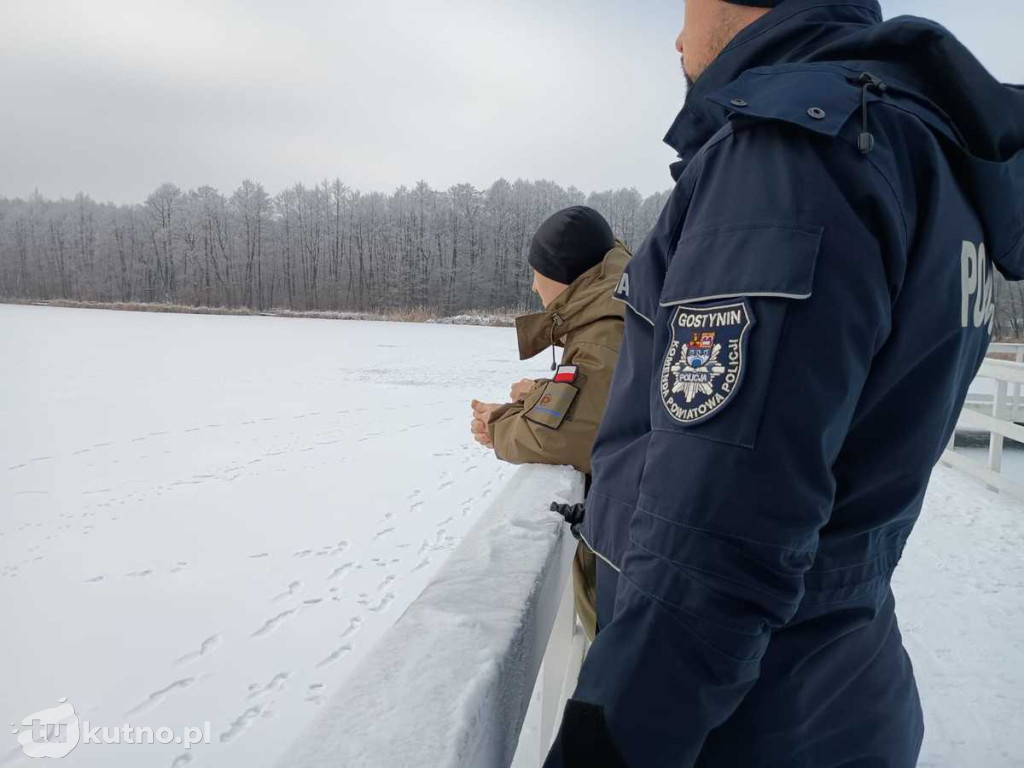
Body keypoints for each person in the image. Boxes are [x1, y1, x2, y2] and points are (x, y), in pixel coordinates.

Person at [544, 1, 1024, 767]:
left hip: (748, 720)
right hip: (845, 688)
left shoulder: (795, 154)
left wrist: (608, 742)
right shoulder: (926, 160)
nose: (676, 35)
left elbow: (714, 538)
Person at [471, 205, 630, 640]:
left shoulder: (603, 331)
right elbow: (596, 397)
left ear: (562, 277)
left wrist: (497, 424)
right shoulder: (612, 305)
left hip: (631, 558)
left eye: (537, 271)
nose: (533, 284)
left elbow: (566, 433)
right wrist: (536, 393)